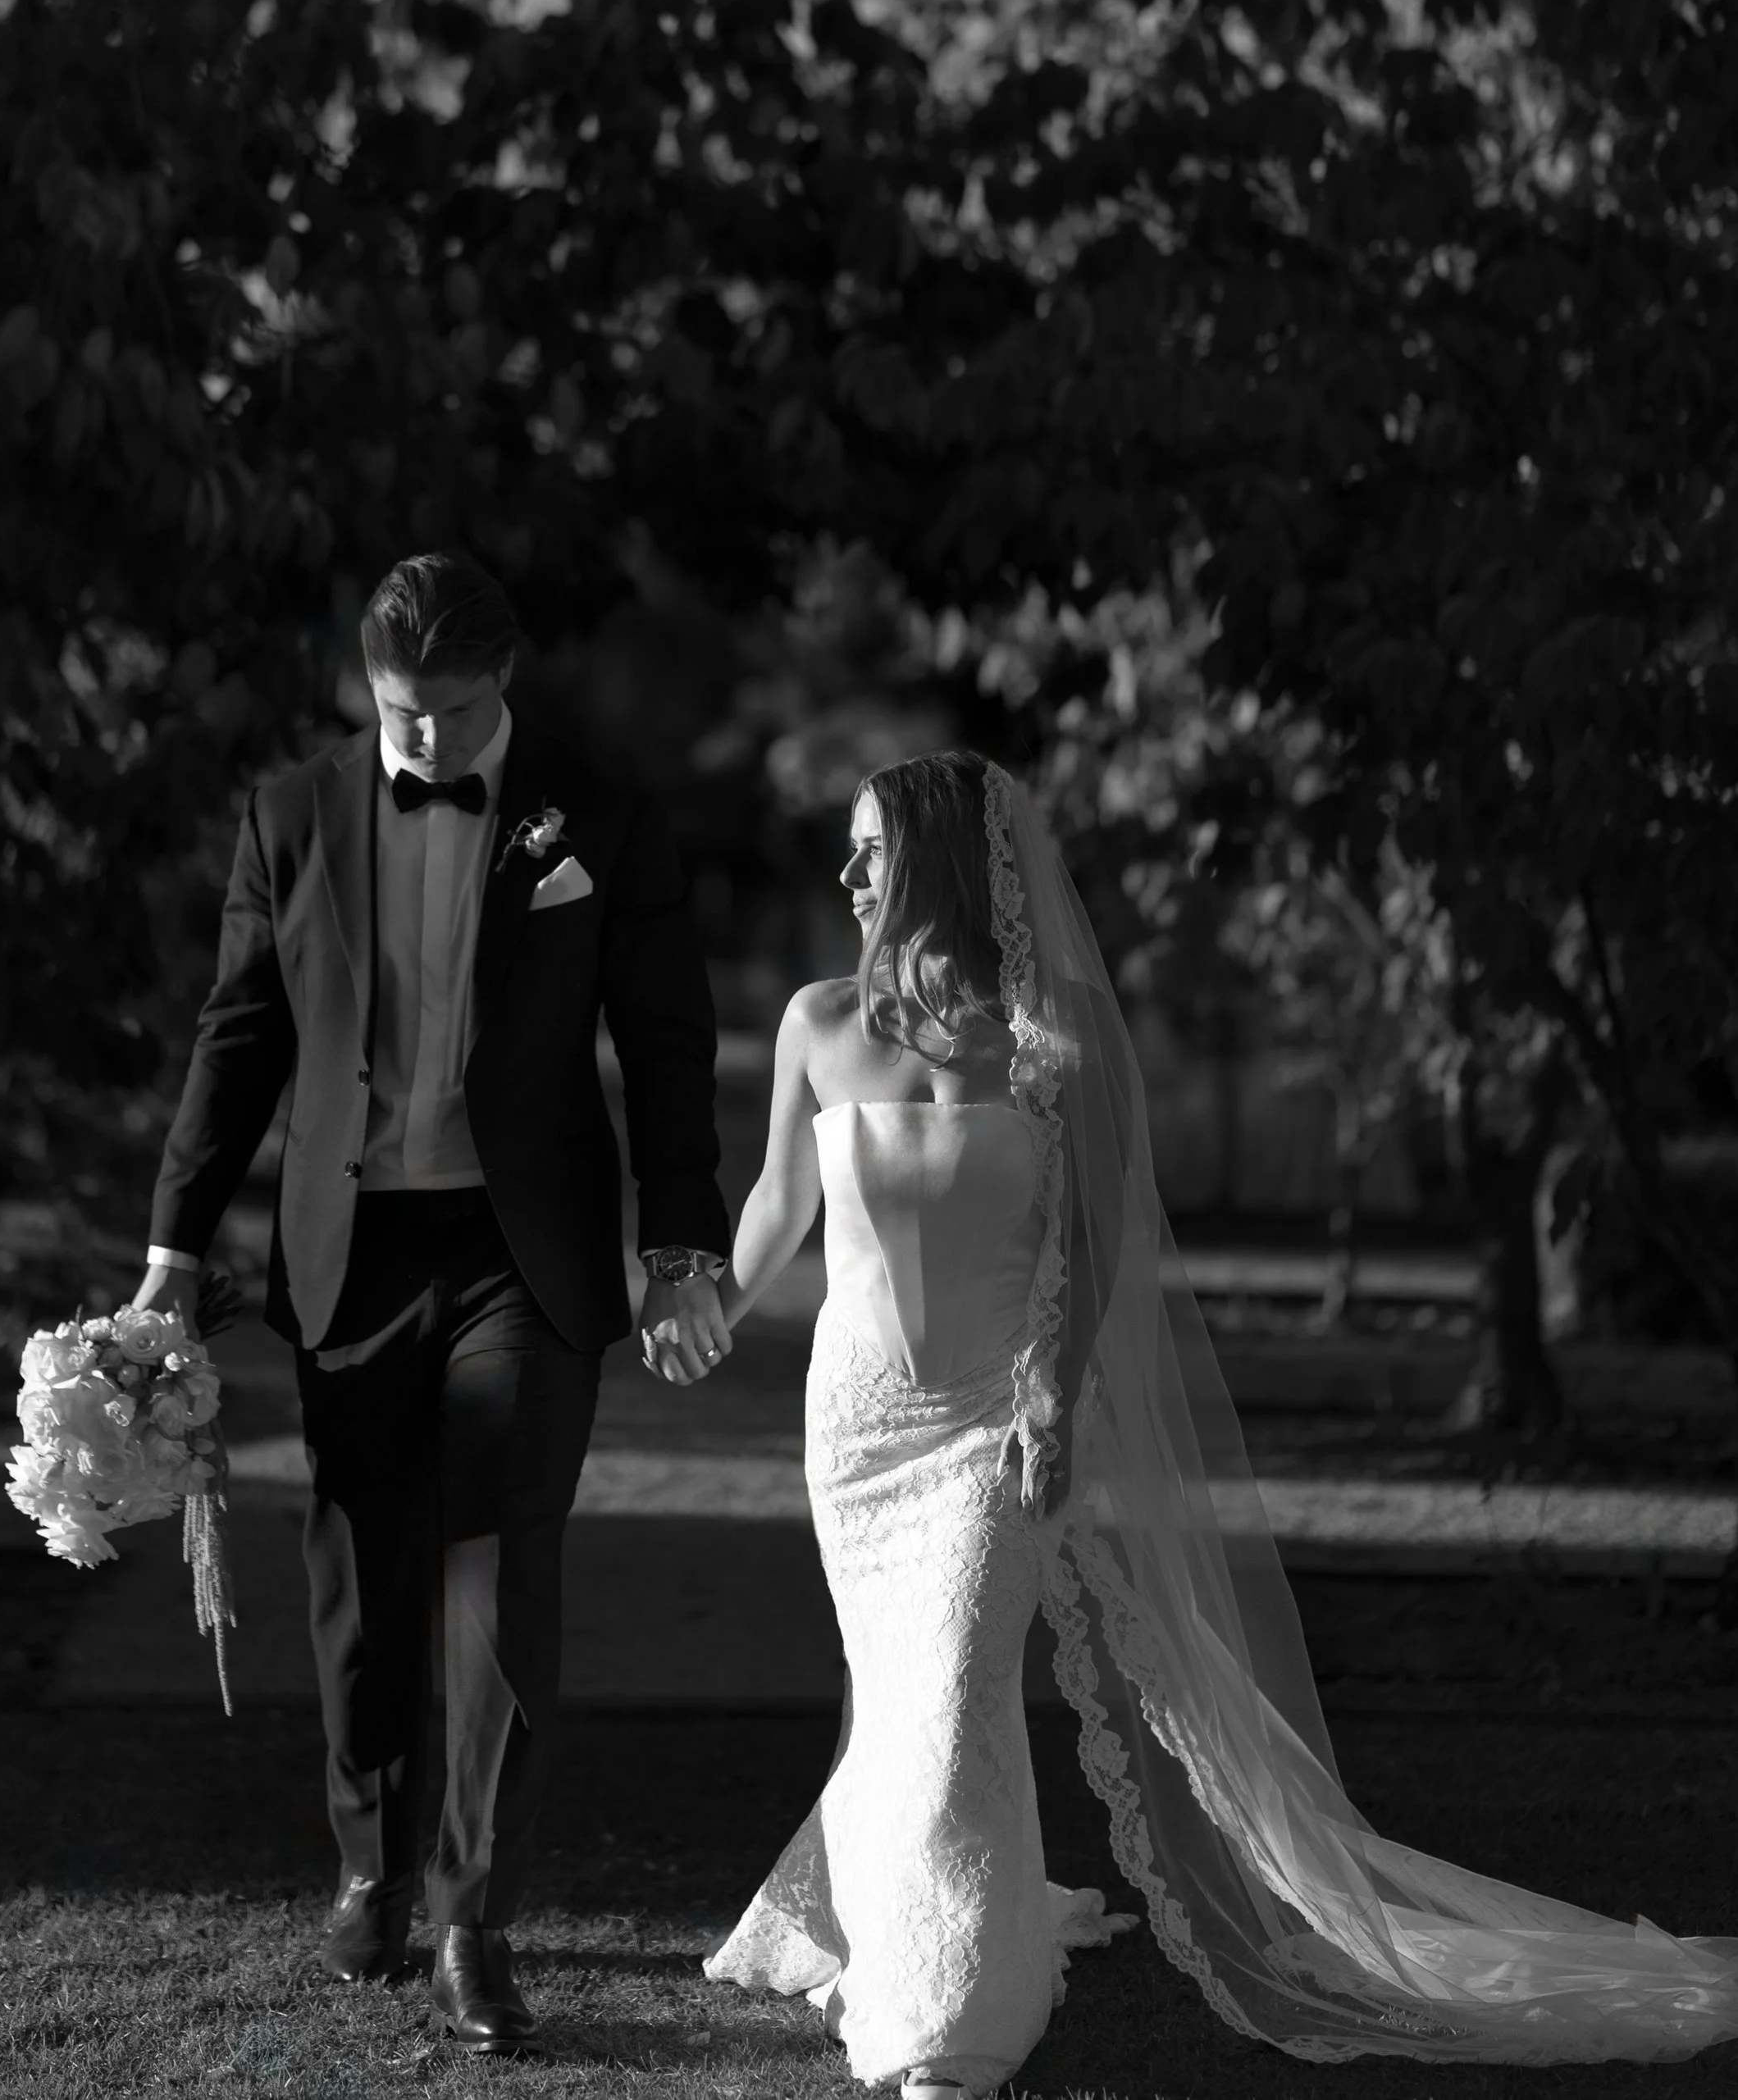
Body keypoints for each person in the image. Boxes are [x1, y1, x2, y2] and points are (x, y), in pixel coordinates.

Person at [704, 747, 1738, 2094]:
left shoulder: (1059, 1033)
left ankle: (951, 2012)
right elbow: (780, 1204)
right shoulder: (816, 1021)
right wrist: (707, 1301)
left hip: (990, 1423)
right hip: (856, 1425)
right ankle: (892, 1921)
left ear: (948, 870)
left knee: (952, 1688)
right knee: (900, 1696)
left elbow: (1096, 1241)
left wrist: (1050, 1397)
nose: (846, 875)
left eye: (873, 852)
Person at [132, 551, 732, 2055]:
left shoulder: (601, 815)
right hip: (354, 1250)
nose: (426, 745)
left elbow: (666, 1039)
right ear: (368, 685)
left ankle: (475, 1913)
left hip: (522, 1253)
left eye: (454, 716)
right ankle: (370, 1864)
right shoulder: (293, 815)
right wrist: (173, 1246)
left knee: (497, 1575)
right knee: (361, 1583)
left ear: (505, 682)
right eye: (402, 715)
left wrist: (680, 1244)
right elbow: (238, 1039)